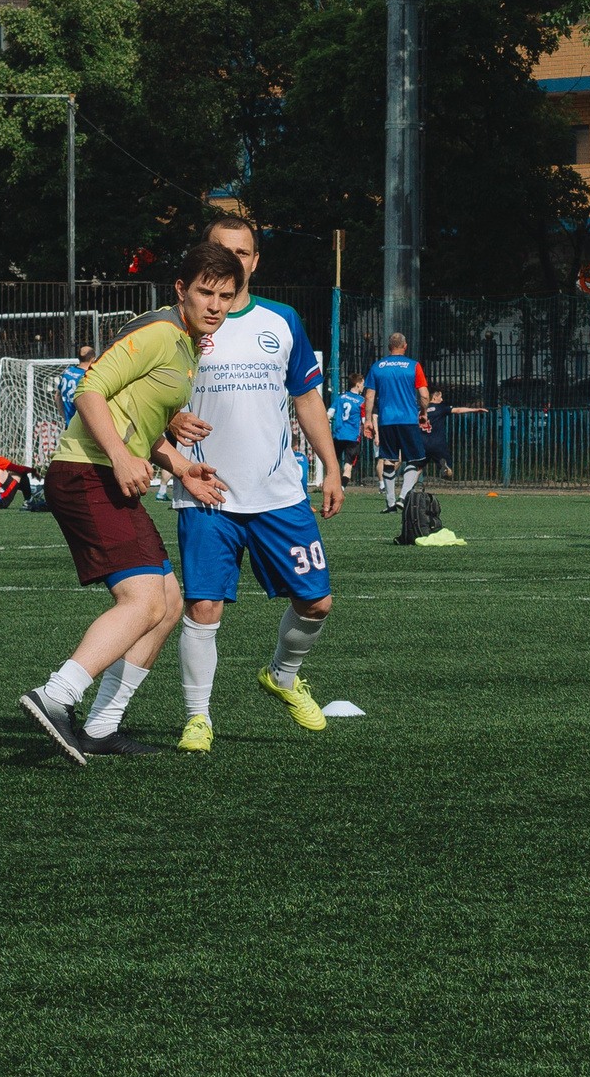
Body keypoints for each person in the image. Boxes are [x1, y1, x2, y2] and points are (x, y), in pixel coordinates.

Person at [18, 242, 239, 764]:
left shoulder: (187, 344)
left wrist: (182, 466)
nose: (215, 305)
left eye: (226, 296)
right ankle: (57, 696)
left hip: (105, 475)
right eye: (205, 292)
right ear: (181, 290)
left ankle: (101, 725)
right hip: (86, 473)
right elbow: (90, 389)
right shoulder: (164, 332)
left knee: (167, 606)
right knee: (141, 602)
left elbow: (134, 418)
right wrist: (119, 455)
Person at [168, 215, 342, 753]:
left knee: (317, 603)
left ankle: (283, 675)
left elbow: (307, 399)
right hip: (207, 492)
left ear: (256, 261)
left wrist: (331, 467)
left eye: (243, 253)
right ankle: (199, 717)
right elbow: (146, 393)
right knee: (203, 608)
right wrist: (170, 422)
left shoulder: (282, 320)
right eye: (222, 250)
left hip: (278, 492)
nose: (233, 261)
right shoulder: (179, 323)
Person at [363, 333, 431, 513]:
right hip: (408, 419)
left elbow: (369, 396)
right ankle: (404, 496)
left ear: (388, 347)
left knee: (389, 460)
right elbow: (424, 395)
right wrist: (423, 412)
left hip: (386, 420)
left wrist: (368, 421)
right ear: (405, 346)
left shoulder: (378, 367)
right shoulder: (414, 366)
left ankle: (390, 503)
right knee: (415, 460)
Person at [330, 375, 366, 485]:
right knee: (348, 466)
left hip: (339, 435)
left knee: (334, 463)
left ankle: (333, 484)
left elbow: (329, 414)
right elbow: (364, 421)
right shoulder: (361, 401)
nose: (363, 387)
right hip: (352, 437)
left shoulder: (340, 398)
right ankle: (342, 488)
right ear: (358, 384)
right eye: (363, 384)